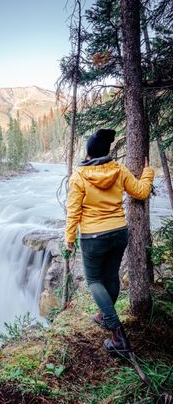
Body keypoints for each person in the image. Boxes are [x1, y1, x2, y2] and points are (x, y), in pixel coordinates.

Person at [65, 129, 154, 357]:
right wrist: (148, 172)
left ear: (88, 153)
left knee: (94, 280)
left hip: (93, 237)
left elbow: (73, 210)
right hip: (118, 232)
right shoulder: (119, 169)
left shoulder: (79, 176)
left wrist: (69, 238)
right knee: (111, 276)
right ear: (106, 151)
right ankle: (104, 315)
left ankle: (118, 335)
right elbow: (142, 192)